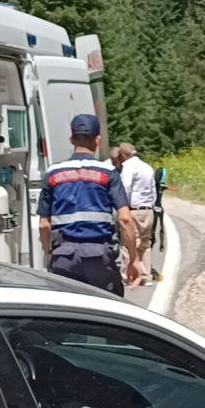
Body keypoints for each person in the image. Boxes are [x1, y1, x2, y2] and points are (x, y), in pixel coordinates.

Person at [38, 115, 144, 295]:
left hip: (64, 257)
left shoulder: (53, 173)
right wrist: (134, 259)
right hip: (99, 257)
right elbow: (125, 219)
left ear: (71, 139)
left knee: (69, 315)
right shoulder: (108, 173)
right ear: (98, 140)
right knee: (109, 312)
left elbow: (44, 224)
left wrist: (49, 253)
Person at [117, 142, 158, 286]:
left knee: (129, 242)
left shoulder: (128, 167)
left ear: (123, 155)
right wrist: (152, 206)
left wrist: (123, 207)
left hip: (133, 209)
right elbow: (153, 190)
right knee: (145, 244)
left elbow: (126, 187)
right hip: (148, 209)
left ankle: (127, 276)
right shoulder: (147, 167)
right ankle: (145, 276)